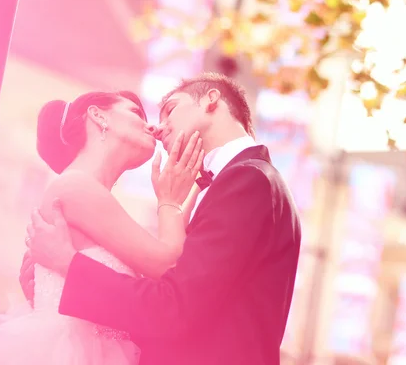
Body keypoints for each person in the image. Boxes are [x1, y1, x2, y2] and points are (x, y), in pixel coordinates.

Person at [27, 73, 302, 365]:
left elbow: (175, 306)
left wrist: (68, 265)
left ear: (211, 100)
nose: (157, 127)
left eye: (170, 109)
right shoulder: (241, 180)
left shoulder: (249, 180)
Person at [0, 90, 204, 365]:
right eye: (136, 113)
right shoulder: (74, 186)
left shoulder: (91, 196)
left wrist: (192, 191)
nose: (151, 126)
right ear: (98, 115)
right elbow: (168, 264)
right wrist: (169, 201)